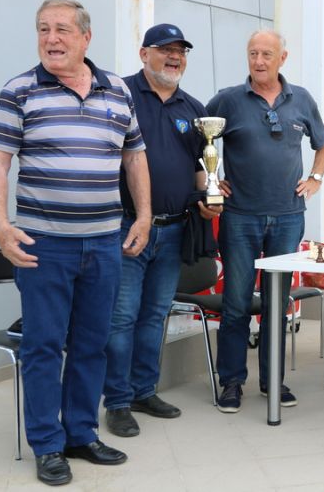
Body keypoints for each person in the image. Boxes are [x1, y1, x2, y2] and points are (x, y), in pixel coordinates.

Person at [0, 0, 150, 486]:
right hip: (44, 245)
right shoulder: (19, 90)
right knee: (43, 346)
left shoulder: (117, 90)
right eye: (43, 29)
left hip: (104, 243)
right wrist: (0, 224)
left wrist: (143, 215)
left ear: (85, 37)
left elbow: (134, 157)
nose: (51, 38)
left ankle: (80, 433)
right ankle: (47, 444)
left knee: (92, 345)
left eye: (61, 29)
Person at [102, 24, 220, 437]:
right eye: (165, 49)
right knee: (122, 317)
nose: (174, 57)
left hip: (174, 230)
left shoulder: (194, 108)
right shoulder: (119, 94)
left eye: (181, 51)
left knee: (155, 315)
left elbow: (200, 167)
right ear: (143, 53)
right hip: (127, 227)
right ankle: (117, 401)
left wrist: (208, 197)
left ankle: (143, 391)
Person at [205, 30, 324, 413]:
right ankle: (231, 383)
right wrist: (211, 180)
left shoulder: (302, 99)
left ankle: (272, 381)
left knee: (277, 303)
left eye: (266, 54)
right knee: (236, 302)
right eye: (253, 53)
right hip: (240, 217)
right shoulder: (227, 100)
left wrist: (316, 178)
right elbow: (199, 142)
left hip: (288, 218)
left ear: (282, 58)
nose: (258, 61)